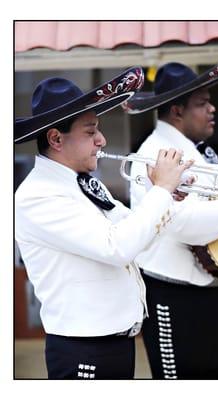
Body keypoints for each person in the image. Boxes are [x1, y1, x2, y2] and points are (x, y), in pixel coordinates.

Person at [15, 67, 195, 380]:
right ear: (56, 138)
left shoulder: (82, 183)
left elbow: (138, 237)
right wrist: (162, 191)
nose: (102, 139)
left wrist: (163, 196)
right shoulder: (38, 195)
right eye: (90, 131)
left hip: (114, 343)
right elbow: (118, 247)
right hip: (84, 350)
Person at [125, 54, 218, 379]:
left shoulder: (195, 150)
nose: (213, 109)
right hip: (175, 296)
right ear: (178, 110)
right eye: (202, 102)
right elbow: (187, 224)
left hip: (213, 290)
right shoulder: (154, 153)